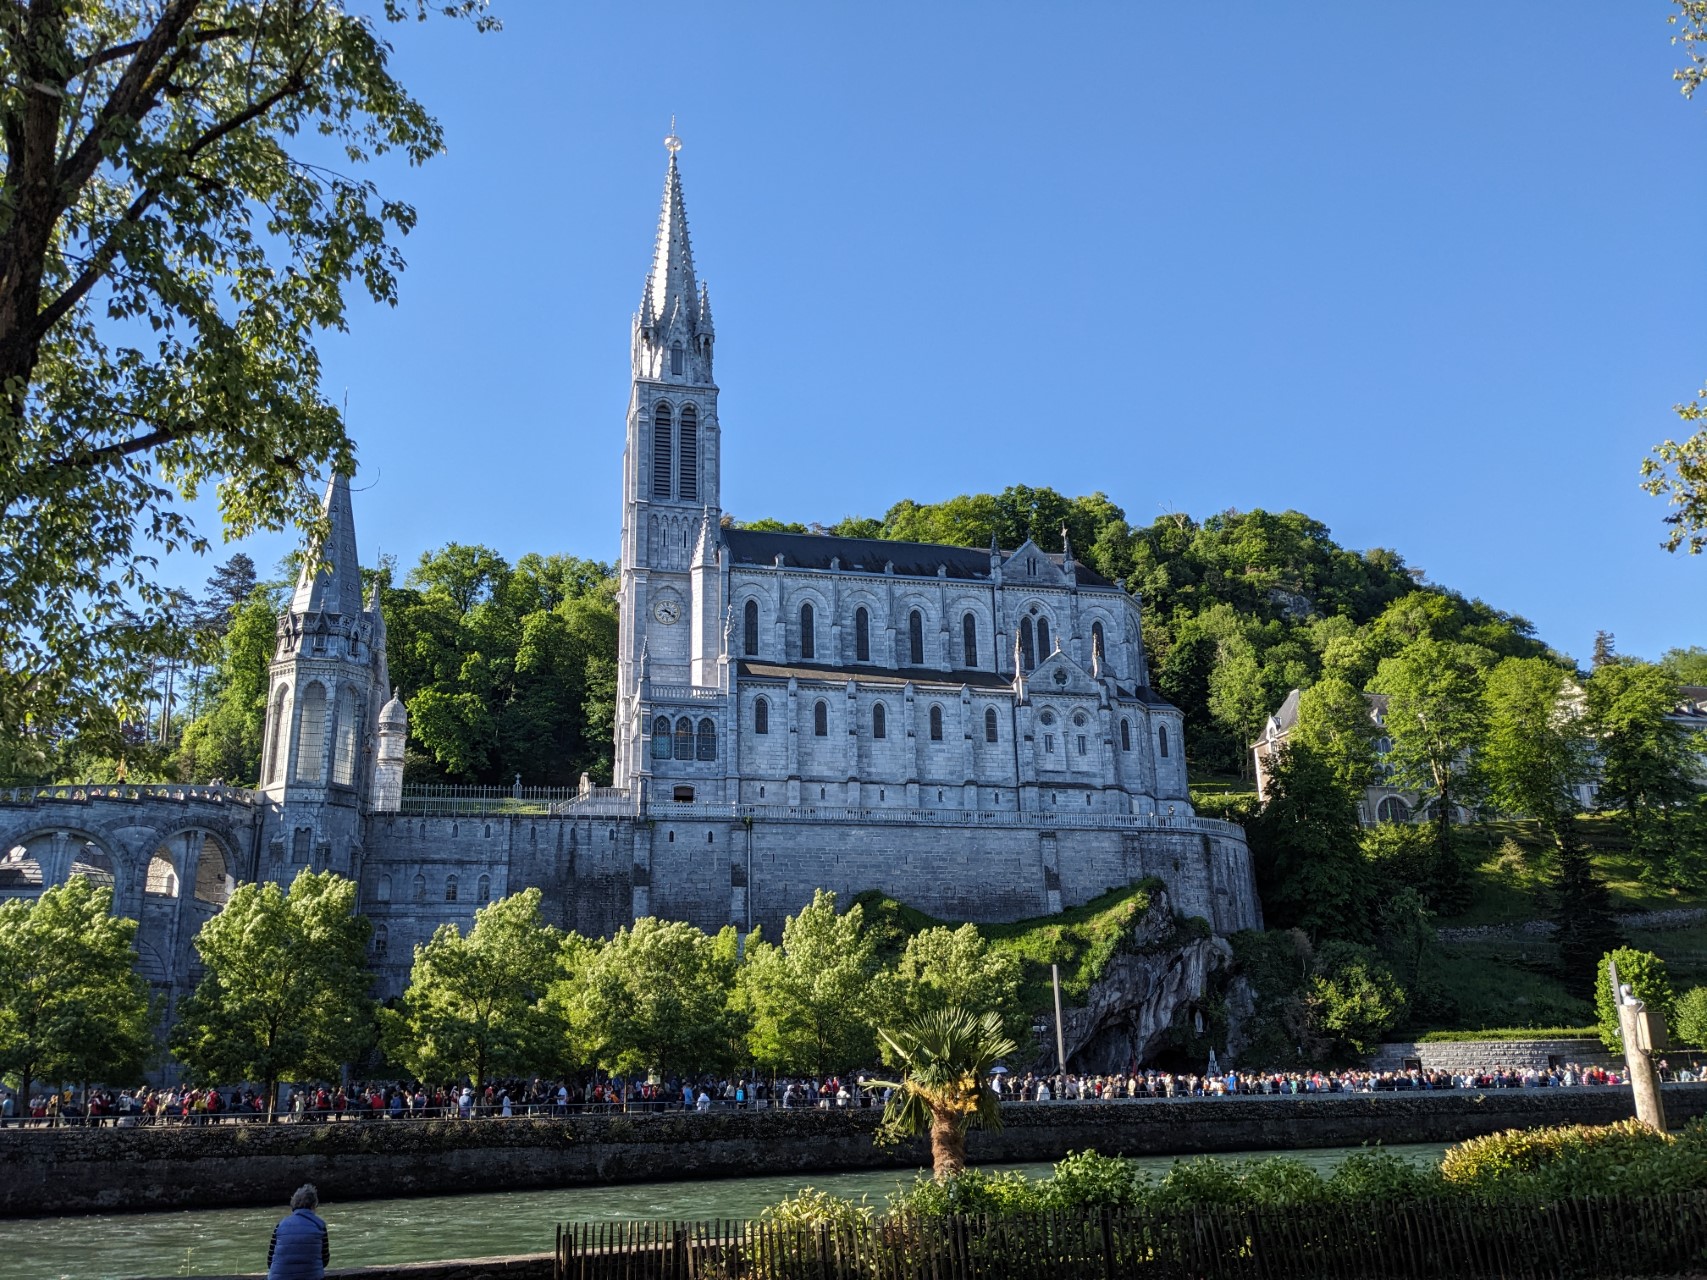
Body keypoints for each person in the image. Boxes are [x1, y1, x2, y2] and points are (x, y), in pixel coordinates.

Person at [267, 1183, 329, 1280]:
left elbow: (270, 1261)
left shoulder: (280, 1225)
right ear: (314, 1205)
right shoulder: (320, 1225)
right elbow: (325, 1260)